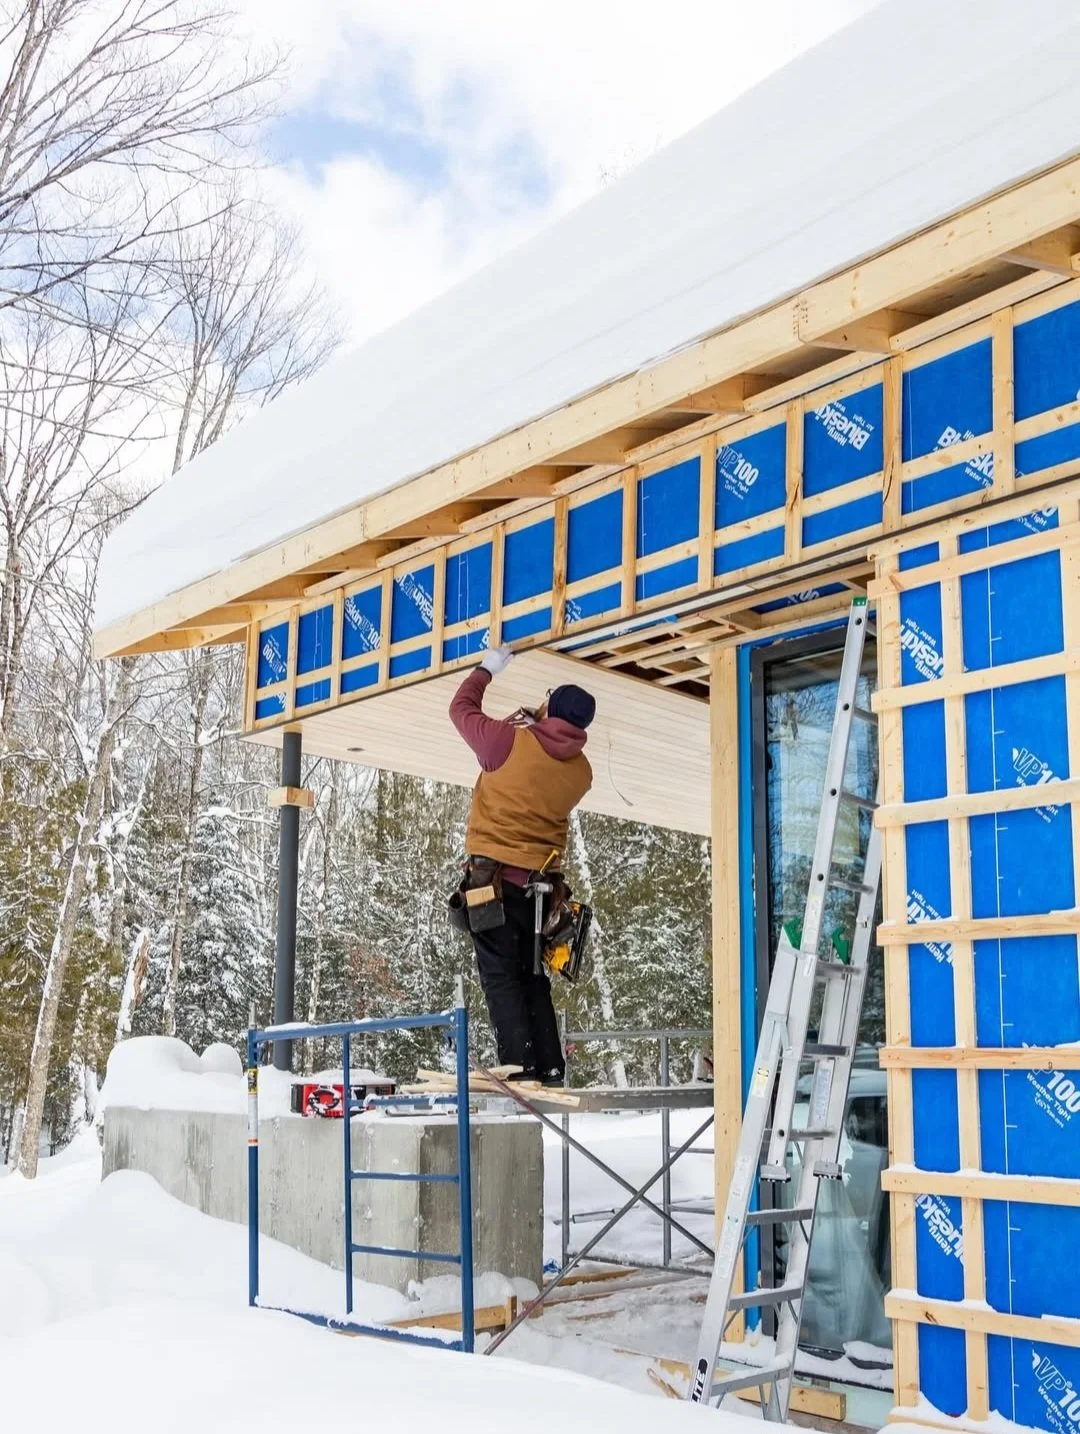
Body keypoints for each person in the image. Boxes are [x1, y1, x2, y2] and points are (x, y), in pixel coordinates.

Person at [449, 645, 595, 1085]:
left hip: (491, 884)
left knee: (501, 978)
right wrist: (536, 730)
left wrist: (487, 669)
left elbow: (461, 709)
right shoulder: (581, 772)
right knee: (532, 976)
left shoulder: (505, 742)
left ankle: (519, 1068)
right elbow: (545, 764)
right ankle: (548, 1066)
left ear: (550, 708)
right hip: (539, 893)